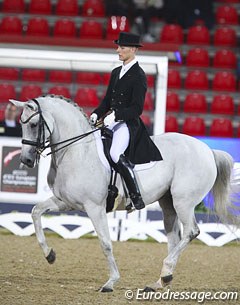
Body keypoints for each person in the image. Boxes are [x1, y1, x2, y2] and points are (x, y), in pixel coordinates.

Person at [89, 32, 162, 210]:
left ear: (133, 49)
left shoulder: (139, 76)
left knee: (115, 154)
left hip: (127, 124)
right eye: (118, 47)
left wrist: (116, 116)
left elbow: (137, 109)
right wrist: (96, 114)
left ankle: (134, 196)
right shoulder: (116, 72)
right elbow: (107, 100)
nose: (118, 50)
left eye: (121, 48)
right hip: (109, 121)